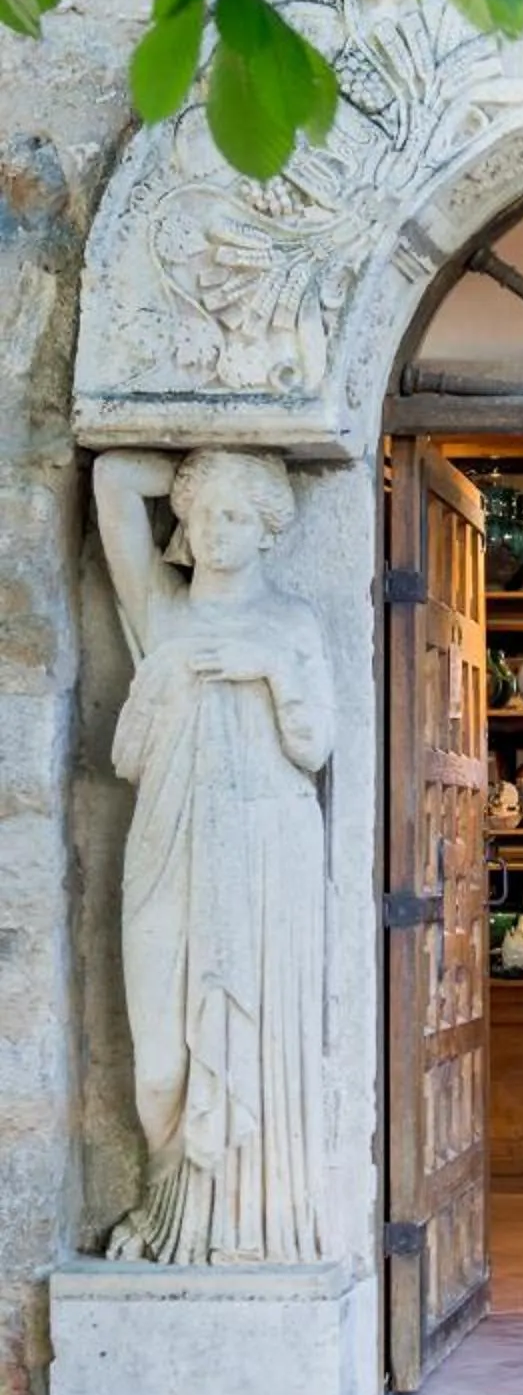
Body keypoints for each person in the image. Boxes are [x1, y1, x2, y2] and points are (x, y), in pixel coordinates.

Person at [92, 447, 334, 1264]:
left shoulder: (291, 624)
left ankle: (243, 1224)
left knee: (251, 1041)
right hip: (170, 839)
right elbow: (114, 480)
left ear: (268, 531)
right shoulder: (162, 613)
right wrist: (206, 466)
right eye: (204, 517)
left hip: (267, 853)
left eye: (237, 515)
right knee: (159, 1060)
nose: (218, 532)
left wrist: (268, 670)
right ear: (185, 531)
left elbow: (314, 747)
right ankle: (168, 1204)